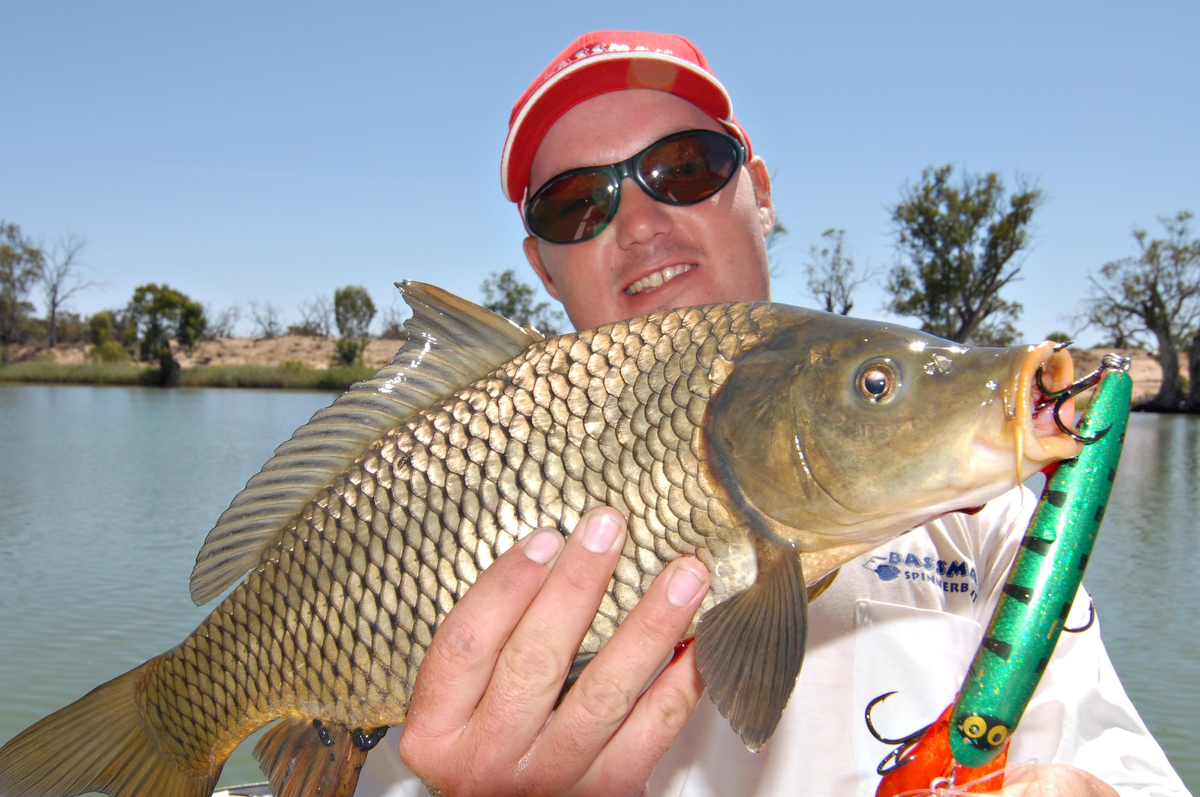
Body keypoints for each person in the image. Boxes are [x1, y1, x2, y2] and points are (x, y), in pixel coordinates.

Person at [357, 30, 1189, 797]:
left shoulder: (989, 515)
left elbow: (1123, 760)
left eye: (684, 167)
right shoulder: (451, 477)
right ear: (541, 266)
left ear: (758, 191)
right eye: (577, 203)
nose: (641, 223)